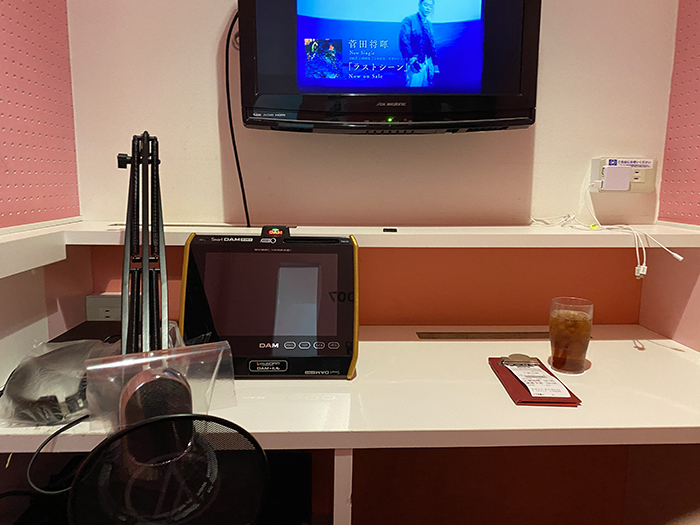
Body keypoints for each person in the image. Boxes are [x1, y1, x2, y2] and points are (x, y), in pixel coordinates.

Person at [399, 0, 437, 87]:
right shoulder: (409, 20)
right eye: (426, 5)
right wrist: (411, 61)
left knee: (427, 90)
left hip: (428, 63)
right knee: (413, 89)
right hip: (416, 62)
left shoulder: (429, 24)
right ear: (419, 4)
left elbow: (432, 45)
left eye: (431, 6)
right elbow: (404, 40)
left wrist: (435, 64)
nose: (428, 8)